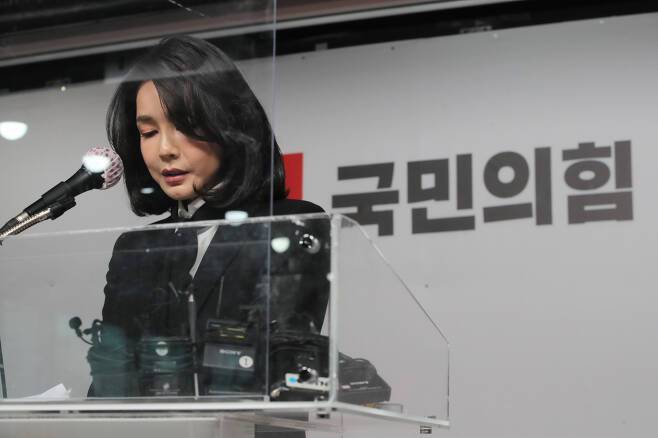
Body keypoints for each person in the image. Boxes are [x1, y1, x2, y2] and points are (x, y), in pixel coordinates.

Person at [92, 35, 329, 412]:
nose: (165, 149)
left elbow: (280, 361)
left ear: (232, 125)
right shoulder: (135, 247)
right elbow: (109, 377)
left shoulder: (290, 225)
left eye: (184, 126)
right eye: (148, 133)